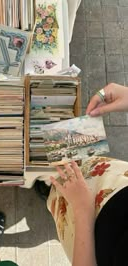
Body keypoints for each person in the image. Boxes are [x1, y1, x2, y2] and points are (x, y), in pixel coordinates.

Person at [36, 82, 128, 266]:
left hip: (87, 235)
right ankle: (53, 182)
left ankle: (51, 189)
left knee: (61, 192)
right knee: (80, 163)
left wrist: (82, 209)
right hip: (117, 183)